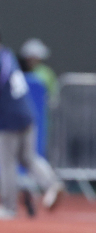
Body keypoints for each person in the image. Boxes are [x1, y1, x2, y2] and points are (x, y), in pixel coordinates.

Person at [0, 34, 64, 219]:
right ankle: (51, 184)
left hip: (9, 118)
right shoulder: (7, 55)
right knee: (28, 157)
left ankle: (9, 206)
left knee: (7, 162)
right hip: (27, 114)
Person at [19, 38, 59, 108]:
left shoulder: (46, 73)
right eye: (29, 58)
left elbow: (53, 94)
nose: (31, 61)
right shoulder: (21, 72)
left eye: (34, 58)